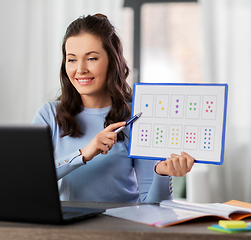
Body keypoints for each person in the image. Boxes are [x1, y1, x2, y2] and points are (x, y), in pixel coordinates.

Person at [32, 14, 194, 203]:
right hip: (68, 228)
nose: (80, 69)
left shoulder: (137, 117)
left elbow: (153, 205)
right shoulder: (49, 115)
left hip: (122, 226)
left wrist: (162, 174)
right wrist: (84, 154)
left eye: (91, 58)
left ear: (112, 61)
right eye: (72, 59)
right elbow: (30, 180)